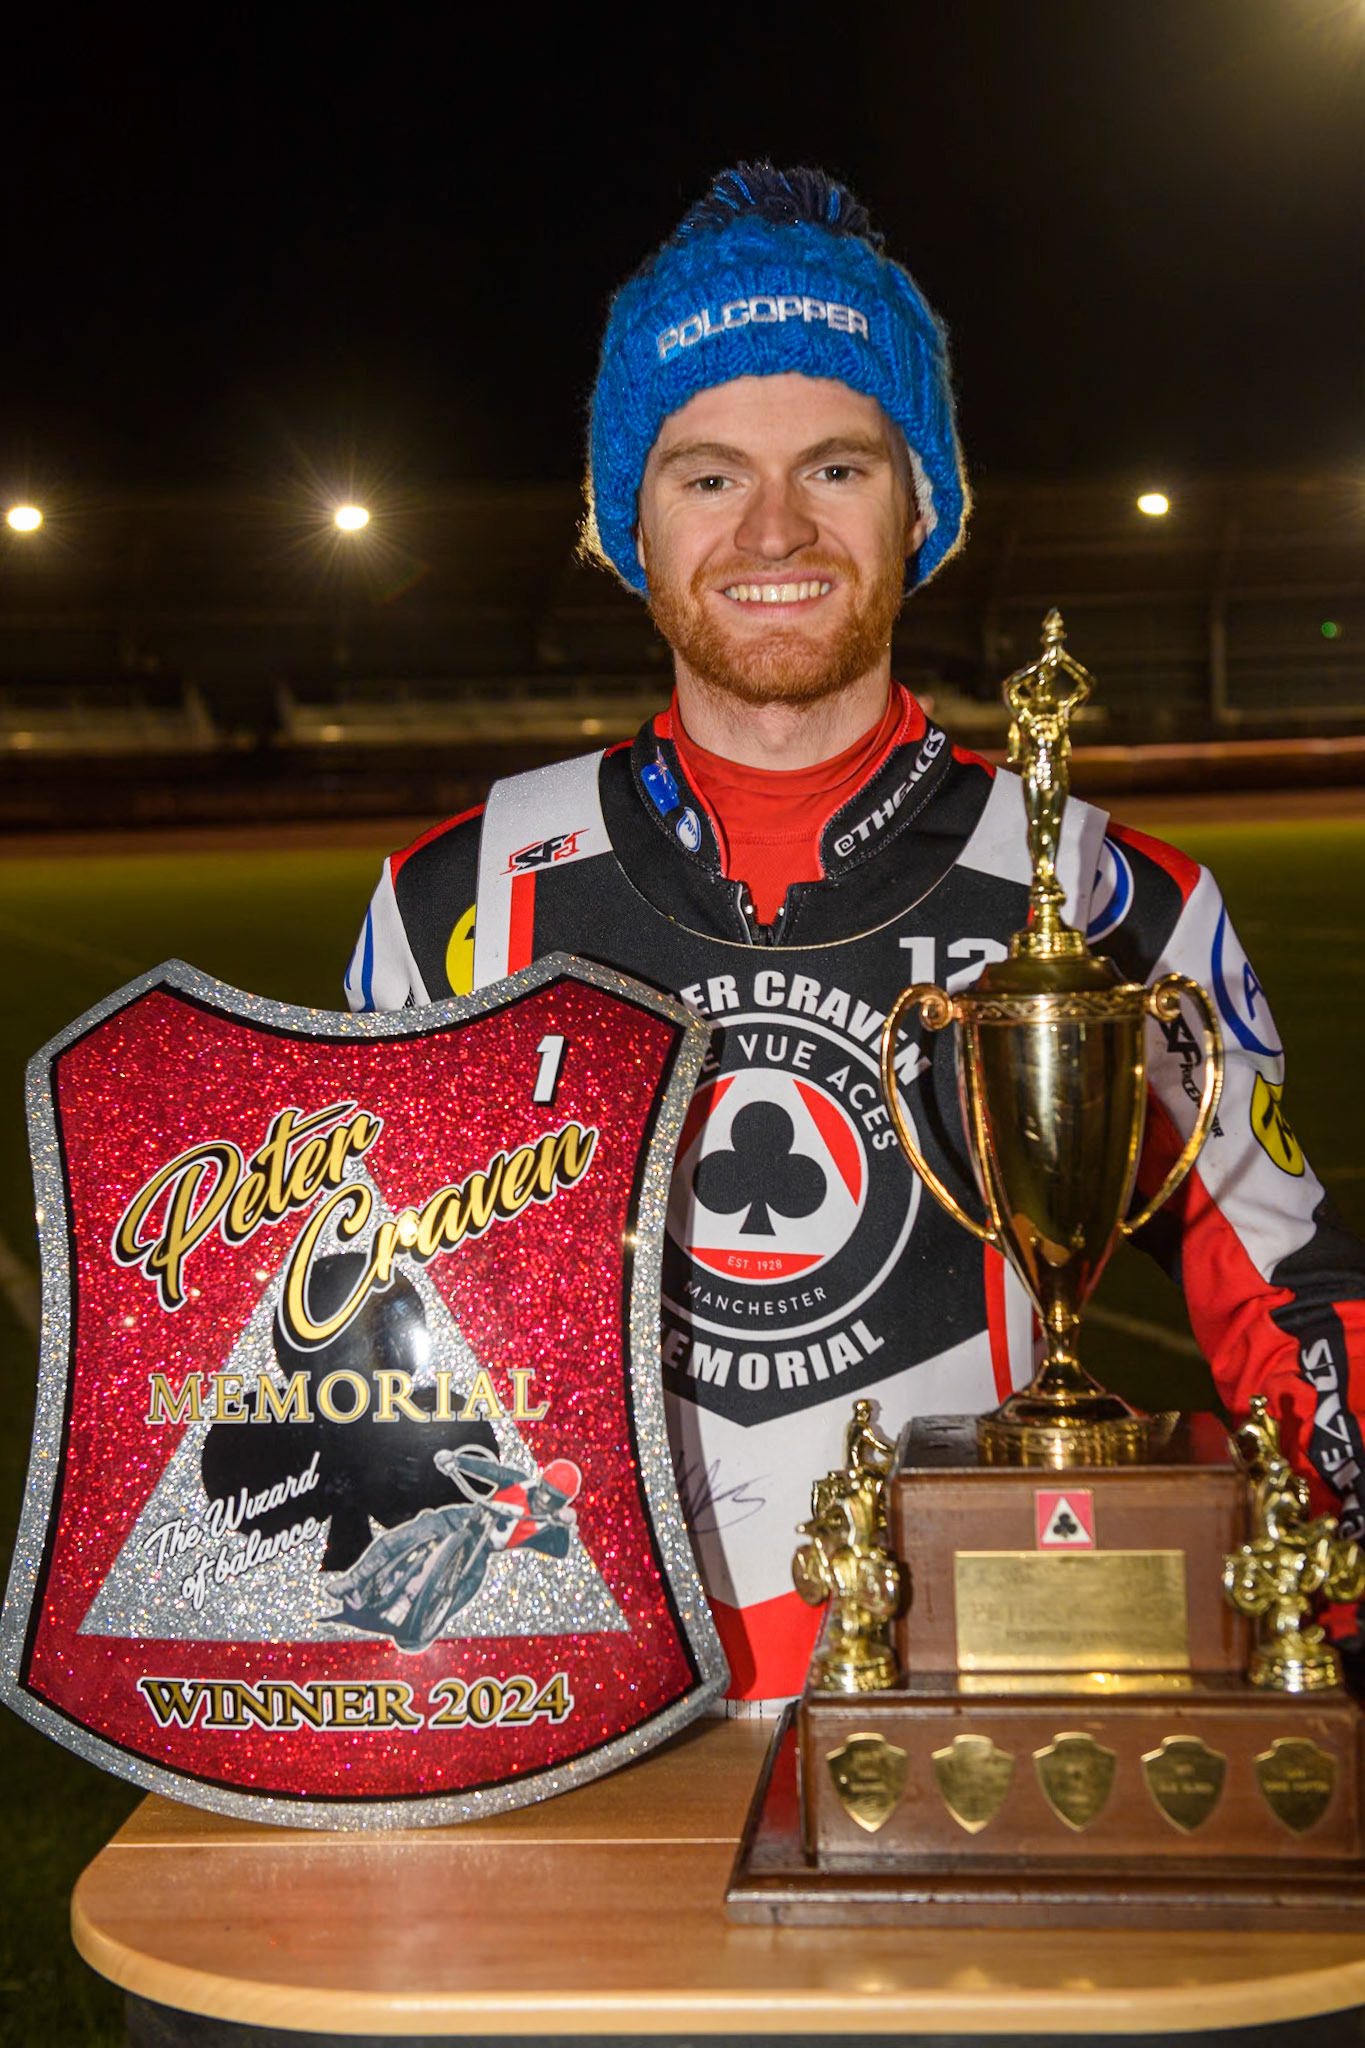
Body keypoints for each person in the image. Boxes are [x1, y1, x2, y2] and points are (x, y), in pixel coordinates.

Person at [346, 163, 1365, 1708]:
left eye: (835, 467)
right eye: (706, 476)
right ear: (626, 523)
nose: (774, 527)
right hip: (564, 1726)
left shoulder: (1103, 896)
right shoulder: (453, 901)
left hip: (983, 1734)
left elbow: (1288, 1296)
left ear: (920, 506)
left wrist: (1330, 1592)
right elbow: (351, 1337)